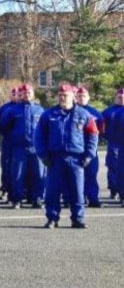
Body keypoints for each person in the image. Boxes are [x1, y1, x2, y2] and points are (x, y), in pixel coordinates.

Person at [34, 84, 99, 228]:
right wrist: (43, 155)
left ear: (73, 97)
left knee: (77, 191)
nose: (63, 98)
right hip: (54, 159)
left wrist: (89, 155)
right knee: (52, 191)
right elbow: (38, 136)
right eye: (60, 96)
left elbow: (93, 135)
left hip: (76, 159)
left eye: (66, 95)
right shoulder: (48, 115)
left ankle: (78, 219)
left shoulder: (83, 114)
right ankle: (52, 218)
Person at [0, 83, 45, 209]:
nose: (26, 95)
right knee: (17, 174)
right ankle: (17, 199)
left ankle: (37, 198)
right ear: (20, 94)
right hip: (19, 148)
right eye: (24, 93)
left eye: (29, 93)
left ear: (33, 94)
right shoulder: (12, 111)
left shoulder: (40, 110)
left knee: (38, 174)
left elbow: (45, 128)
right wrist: (15, 138)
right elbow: (3, 127)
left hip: (36, 149)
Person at [75, 87, 104, 208]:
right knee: (73, 176)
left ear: (88, 97)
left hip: (90, 148)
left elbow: (101, 129)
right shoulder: (71, 111)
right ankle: (74, 199)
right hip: (75, 149)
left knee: (91, 175)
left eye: (84, 96)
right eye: (79, 96)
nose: (81, 98)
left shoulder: (95, 113)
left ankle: (93, 198)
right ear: (75, 97)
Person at [0, 87, 19, 200]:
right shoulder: (4, 108)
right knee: (6, 167)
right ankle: (5, 189)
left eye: (17, 94)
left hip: (21, 144)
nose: (15, 96)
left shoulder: (25, 107)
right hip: (8, 142)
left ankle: (22, 191)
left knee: (21, 169)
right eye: (13, 94)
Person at [102, 89, 124, 200]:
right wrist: (106, 137)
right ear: (116, 97)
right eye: (120, 97)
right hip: (114, 143)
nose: (122, 99)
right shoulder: (108, 112)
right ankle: (113, 190)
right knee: (113, 167)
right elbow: (100, 127)